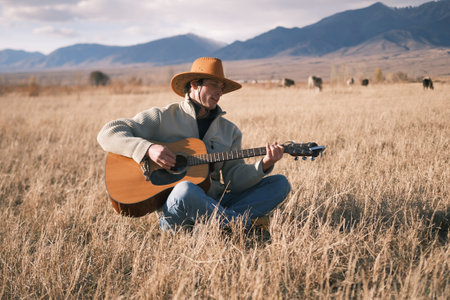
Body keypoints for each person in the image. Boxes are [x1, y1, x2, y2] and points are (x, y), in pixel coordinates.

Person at [97, 57, 291, 232]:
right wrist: (147, 149)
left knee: (279, 184)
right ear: (194, 85)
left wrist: (264, 164)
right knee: (185, 189)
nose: (219, 92)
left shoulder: (230, 131)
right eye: (214, 84)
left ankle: (214, 227)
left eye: (222, 87)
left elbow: (235, 180)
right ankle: (242, 225)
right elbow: (108, 132)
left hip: (216, 201)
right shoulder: (163, 117)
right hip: (178, 211)